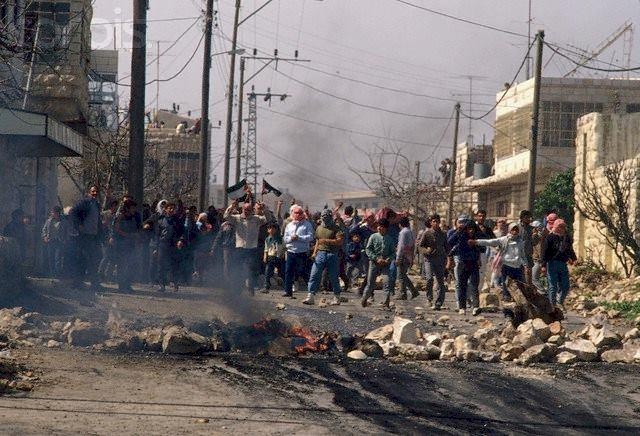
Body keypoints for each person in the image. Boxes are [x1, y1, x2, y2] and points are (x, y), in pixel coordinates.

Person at [470, 222, 527, 307]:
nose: (515, 231)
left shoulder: (520, 242)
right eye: (513, 229)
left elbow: (522, 255)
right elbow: (490, 242)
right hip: (507, 266)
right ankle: (507, 308)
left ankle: (519, 306)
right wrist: (477, 242)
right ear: (510, 230)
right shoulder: (504, 239)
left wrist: (526, 265)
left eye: (516, 230)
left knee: (519, 287)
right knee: (506, 287)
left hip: (517, 267)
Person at [223, 199, 272, 294]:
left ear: (252, 210)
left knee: (251, 269)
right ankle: (238, 288)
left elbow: (268, 219)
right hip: (240, 248)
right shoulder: (236, 218)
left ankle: (250, 286)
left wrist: (264, 208)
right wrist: (232, 206)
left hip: (252, 248)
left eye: (249, 210)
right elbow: (225, 216)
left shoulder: (256, 219)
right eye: (245, 210)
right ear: (242, 209)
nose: (247, 212)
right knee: (238, 269)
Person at [305, 209, 345, 305]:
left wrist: (327, 241)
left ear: (331, 216)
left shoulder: (336, 228)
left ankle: (337, 297)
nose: (324, 217)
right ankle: (310, 296)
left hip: (332, 254)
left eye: (326, 215)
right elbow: (318, 241)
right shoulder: (319, 228)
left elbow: (340, 241)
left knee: (333, 277)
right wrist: (314, 253)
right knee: (314, 275)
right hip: (320, 254)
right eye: (323, 215)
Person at [70, 185, 103, 290]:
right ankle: (78, 283)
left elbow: (97, 221)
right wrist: (79, 225)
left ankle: (94, 283)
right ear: (89, 192)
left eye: (96, 191)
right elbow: (73, 212)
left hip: (93, 237)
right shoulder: (85, 202)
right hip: (84, 236)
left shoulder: (97, 204)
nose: (95, 193)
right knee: (83, 260)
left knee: (95, 259)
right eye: (93, 191)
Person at [541, 219, 577, 311]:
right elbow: (545, 252)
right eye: (560, 226)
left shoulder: (566, 237)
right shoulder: (550, 237)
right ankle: (552, 306)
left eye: (563, 227)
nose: (561, 229)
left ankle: (559, 301)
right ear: (555, 227)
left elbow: (570, 249)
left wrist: (574, 258)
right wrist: (543, 265)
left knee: (566, 286)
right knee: (553, 286)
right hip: (552, 264)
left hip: (563, 264)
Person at [448, 217, 480, 315]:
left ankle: (476, 307)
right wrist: (458, 231)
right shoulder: (461, 236)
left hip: (474, 264)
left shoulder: (476, 237)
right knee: (462, 285)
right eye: (469, 229)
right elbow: (450, 242)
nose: (471, 231)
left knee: (474, 285)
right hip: (463, 263)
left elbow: (484, 242)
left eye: (472, 229)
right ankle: (462, 307)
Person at [361, 218, 394, 308]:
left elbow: (393, 253)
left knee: (387, 282)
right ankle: (364, 299)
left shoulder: (390, 239)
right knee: (370, 283)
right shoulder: (373, 236)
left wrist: (388, 259)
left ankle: (386, 303)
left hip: (385, 265)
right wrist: (375, 258)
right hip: (374, 263)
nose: (379, 228)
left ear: (386, 228)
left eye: (382, 227)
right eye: (378, 226)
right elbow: (368, 249)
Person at [417, 214, 449, 310]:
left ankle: (439, 302)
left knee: (440, 282)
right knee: (430, 279)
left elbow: (447, 248)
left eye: (437, 221)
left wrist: (449, 260)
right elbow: (420, 247)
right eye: (433, 221)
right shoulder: (427, 233)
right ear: (431, 222)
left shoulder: (443, 234)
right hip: (429, 260)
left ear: (439, 222)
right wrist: (427, 250)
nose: (435, 223)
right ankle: (429, 298)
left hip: (440, 260)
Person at [282, 205, 314, 298]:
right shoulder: (289, 225)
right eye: (296, 213)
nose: (298, 215)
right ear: (292, 214)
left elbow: (310, 237)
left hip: (302, 252)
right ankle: (288, 291)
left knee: (302, 271)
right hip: (291, 251)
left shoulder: (307, 225)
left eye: (300, 213)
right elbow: (285, 239)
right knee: (288, 272)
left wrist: (299, 238)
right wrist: (291, 238)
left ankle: (311, 291)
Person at [112, 199, 141, 292]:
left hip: (131, 245)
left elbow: (139, 228)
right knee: (122, 266)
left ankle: (127, 285)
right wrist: (128, 235)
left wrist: (137, 235)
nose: (133, 210)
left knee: (131, 265)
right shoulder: (120, 217)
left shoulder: (135, 217)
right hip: (121, 245)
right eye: (132, 208)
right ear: (127, 208)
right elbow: (116, 230)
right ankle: (122, 286)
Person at [156, 202, 183, 292]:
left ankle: (175, 283)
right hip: (163, 245)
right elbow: (157, 235)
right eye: (169, 208)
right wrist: (156, 248)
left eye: (173, 208)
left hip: (174, 245)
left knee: (174, 265)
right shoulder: (161, 220)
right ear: (166, 209)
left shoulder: (178, 221)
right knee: (161, 265)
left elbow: (182, 233)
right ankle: (161, 285)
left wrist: (180, 240)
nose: (171, 210)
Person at [395, 216, 418, 300]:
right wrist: (412, 258)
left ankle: (412, 291)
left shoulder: (403, 232)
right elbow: (413, 246)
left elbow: (401, 246)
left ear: (400, 224)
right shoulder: (411, 232)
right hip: (408, 257)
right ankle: (403, 293)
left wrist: (398, 258)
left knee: (401, 276)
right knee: (403, 275)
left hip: (403, 257)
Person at [41, 206, 68, 277]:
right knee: (51, 258)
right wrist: (45, 237)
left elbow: (67, 231)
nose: (52, 214)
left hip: (59, 241)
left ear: (58, 213)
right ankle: (52, 274)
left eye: (53, 212)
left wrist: (65, 240)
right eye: (52, 212)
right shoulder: (49, 221)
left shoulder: (64, 221)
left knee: (58, 258)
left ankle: (58, 274)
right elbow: (44, 229)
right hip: (51, 241)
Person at [474, 209, 495, 292]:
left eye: (483, 216)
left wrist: (484, 233)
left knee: (481, 275)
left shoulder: (487, 229)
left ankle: (476, 294)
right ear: (476, 217)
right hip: (471, 254)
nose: (481, 218)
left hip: (482, 254)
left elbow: (494, 240)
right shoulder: (471, 227)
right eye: (479, 216)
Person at [262, 222, 285, 292]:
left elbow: (284, 247)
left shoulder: (280, 238)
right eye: (269, 228)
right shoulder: (267, 239)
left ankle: (287, 286)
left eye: (273, 228)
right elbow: (266, 249)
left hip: (279, 257)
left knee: (282, 272)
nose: (271, 230)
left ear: (276, 229)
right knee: (268, 272)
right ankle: (266, 286)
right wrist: (265, 257)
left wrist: (282, 254)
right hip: (271, 256)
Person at [531, 219, 548, 294]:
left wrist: (542, 262)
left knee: (534, 278)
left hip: (538, 260)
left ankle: (543, 291)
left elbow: (540, 249)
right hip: (536, 260)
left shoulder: (539, 237)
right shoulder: (539, 236)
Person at [518, 210, 535, 285]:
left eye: (529, 217)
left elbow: (534, 243)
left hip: (527, 256)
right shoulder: (516, 228)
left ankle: (528, 293)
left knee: (528, 277)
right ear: (522, 218)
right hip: (517, 256)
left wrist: (535, 236)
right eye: (526, 217)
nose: (529, 219)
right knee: (518, 277)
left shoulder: (532, 229)